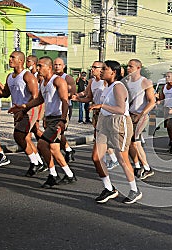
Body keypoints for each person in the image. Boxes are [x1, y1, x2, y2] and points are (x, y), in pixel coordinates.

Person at [19, 56, 76, 187]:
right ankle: (70, 175)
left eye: (40, 66)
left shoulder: (58, 81)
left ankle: (53, 175)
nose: (37, 68)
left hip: (58, 119)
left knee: (42, 144)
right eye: (37, 66)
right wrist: (24, 107)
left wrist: (63, 120)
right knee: (55, 149)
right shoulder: (43, 82)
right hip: (50, 118)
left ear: (49, 67)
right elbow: (39, 100)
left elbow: (65, 101)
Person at [92, 60, 142, 204]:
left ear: (113, 72)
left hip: (119, 123)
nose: (101, 72)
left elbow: (121, 109)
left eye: (104, 69)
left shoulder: (118, 86)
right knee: (96, 157)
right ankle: (109, 189)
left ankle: (134, 190)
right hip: (105, 122)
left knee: (122, 158)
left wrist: (102, 105)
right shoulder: (106, 86)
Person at [72, 61, 119, 170]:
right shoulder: (91, 81)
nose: (92, 69)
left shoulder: (106, 82)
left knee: (102, 138)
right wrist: (78, 98)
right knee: (98, 137)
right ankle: (108, 160)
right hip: (96, 113)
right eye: (92, 67)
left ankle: (110, 160)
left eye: (95, 67)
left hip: (106, 113)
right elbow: (88, 96)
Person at [125, 59, 156, 180]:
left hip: (140, 116)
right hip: (129, 115)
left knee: (136, 142)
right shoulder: (127, 82)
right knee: (130, 143)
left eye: (131, 66)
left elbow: (152, 102)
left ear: (138, 68)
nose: (128, 68)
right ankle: (137, 165)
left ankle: (147, 168)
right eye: (128, 66)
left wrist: (141, 114)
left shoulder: (145, 82)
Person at [53, 58, 76, 163]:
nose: (57, 66)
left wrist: (63, 94)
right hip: (52, 108)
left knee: (59, 131)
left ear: (63, 66)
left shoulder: (67, 78)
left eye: (59, 64)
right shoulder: (50, 78)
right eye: (55, 64)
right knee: (56, 132)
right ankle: (68, 149)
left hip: (64, 107)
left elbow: (73, 94)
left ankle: (60, 152)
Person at [157, 71, 172, 154]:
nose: (167, 78)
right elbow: (162, 98)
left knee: (170, 125)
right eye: (166, 76)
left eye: (169, 76)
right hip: (166, 109)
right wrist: (159, 101)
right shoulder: (164, 87)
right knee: (168, 126)